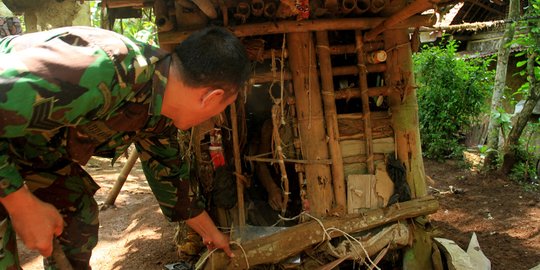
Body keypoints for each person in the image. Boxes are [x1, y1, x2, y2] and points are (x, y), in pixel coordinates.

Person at [0, 25, 250, 269]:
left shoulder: (159, 107)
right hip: (9, 150)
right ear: (212, 97)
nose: (217, 117)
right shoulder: (101, 67)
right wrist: (21, 203)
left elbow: (170, 179)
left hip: (31, 152)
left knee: (77, 216)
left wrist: (212, 234)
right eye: (224, 107)